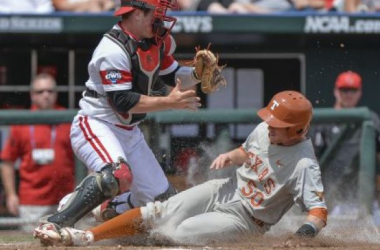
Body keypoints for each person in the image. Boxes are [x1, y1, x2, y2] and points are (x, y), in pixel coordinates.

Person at [34, 90, 328, 247]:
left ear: (299, 130)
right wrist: (231, 155)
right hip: (225, 190)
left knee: (177, 232)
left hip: (249, 220)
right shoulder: (266, 129)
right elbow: (248, 152)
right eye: (270, 120)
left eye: (279, 126)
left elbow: (318, 212)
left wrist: (303, 236)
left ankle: (109, 223)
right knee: (160, 211)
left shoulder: (304, 164)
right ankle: (88, 236)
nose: (270, 126)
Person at [32, 0, 203, 235]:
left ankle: (104, 207)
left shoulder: (154, 41)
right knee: (116, 175)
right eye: (156, 12)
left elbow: (173, 75)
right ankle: (55, 223)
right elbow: (123, 101)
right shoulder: (111, 49)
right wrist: (169, 102)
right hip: (96, 124)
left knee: (164, 204)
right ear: (136, 14)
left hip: (129, 132)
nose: (161, 18)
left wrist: (198, 74)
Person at [0, 73, 75, 232]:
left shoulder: (70, 120)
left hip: (67, 200)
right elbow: (7, 161)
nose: (46, 95)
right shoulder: (22, 122)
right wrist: (11, 195)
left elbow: (85, 158)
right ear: (32, 95)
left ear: (56, 93)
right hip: (31, 203)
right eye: (40, 92)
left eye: (50, 91)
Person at [310, 70, 380, 215]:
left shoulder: (371, 120)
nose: (348, 94)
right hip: (331, 197)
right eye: (344, 90)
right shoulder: (324, 121)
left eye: (353, 90)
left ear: (359, 92)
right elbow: (312, 162)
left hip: (363, 197)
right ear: (336, 91)